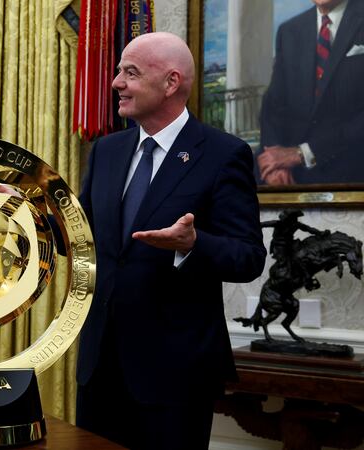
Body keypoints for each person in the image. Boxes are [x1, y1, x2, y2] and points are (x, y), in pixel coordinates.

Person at [76, 32, 266, 449]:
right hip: (100, 367)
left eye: (130, 73)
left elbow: (249, 256)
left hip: (174, 375)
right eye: (118, 72)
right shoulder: (106, 151)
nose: (115, 83)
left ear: (171, 82)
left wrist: (192, 244)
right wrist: (35, 213)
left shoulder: (222, 153)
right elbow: (83, 239)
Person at [257, 0, 364, 185]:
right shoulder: (289, 31)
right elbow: (273, 106)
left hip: (351, 168)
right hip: (290, 172)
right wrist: (274, 162)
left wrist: (304, 153)